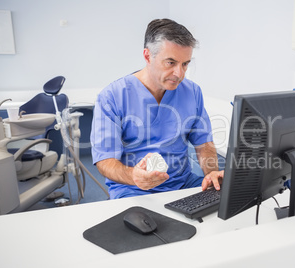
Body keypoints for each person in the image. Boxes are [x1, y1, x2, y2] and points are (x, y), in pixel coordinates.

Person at [91, 18, 224, 199]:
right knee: (148, 226)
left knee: (225, 206)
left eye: (185, 64)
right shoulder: (113, 96)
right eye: (171, 62)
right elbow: (105, 161)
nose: (180, 74)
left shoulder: (192, 92)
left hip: (183, 183)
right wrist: (134, 176)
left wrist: (211, 173)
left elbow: (204, 144)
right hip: (133, 189)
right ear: (147, 56)